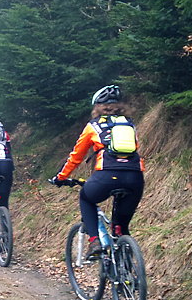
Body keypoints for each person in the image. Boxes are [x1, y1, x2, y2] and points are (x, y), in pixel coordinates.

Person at [50, 85, 145, 258]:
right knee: (121, 227)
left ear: (97, 107)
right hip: (135, 176)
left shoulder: (92, 127)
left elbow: (76, 157)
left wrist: (61, 177)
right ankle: (129, 272)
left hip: (107, 175)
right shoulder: (130, 124)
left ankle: (94, 240)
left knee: (86, 198)